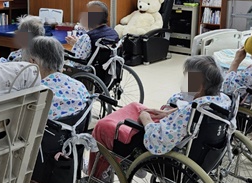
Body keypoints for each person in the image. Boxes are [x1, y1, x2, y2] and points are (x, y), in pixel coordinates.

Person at [91, 56, 231, 160]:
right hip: (181, 133)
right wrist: (170, 112)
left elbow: (159, 139)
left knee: (103, 125)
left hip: (159, 143)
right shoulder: (219, 101)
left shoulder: (190, 111)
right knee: (136, 106)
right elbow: (189, 112)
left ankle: (97, 176)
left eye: (187, 78)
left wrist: (147, 121)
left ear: (199, 88)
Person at [26, 36, 90, 120]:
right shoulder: (80, 86)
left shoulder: (34, 94)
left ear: (33, 62)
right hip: (75, 130)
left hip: (47, 131)